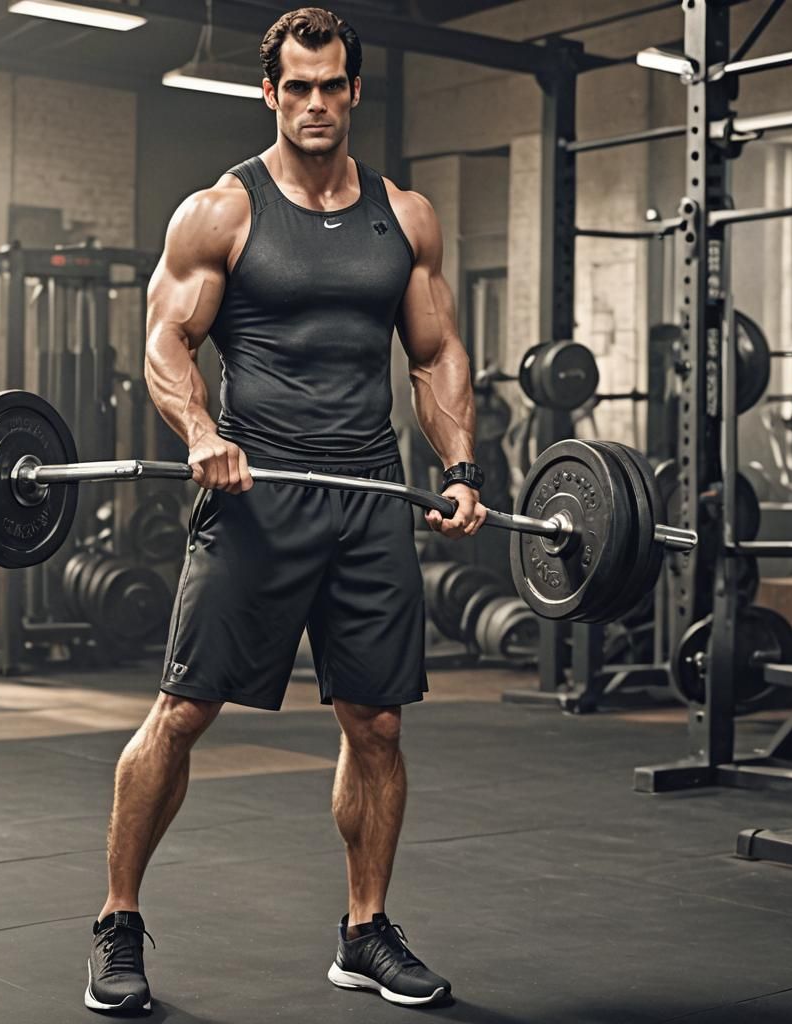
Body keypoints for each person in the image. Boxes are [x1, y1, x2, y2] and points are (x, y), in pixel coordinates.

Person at [85, 6, 487, 1014]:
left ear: (354, 91)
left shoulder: (407, 216)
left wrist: (461, 468)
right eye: (296, 87)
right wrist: (202, 435)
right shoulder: (222, 211)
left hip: (366, 503)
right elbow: (166, 343)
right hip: (255, 498)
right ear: (269, 93)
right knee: (182, 711)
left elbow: (434, 354)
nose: (315, 103)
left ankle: (364, 930)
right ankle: (119, 919)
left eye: (331, 85)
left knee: (378, 721)